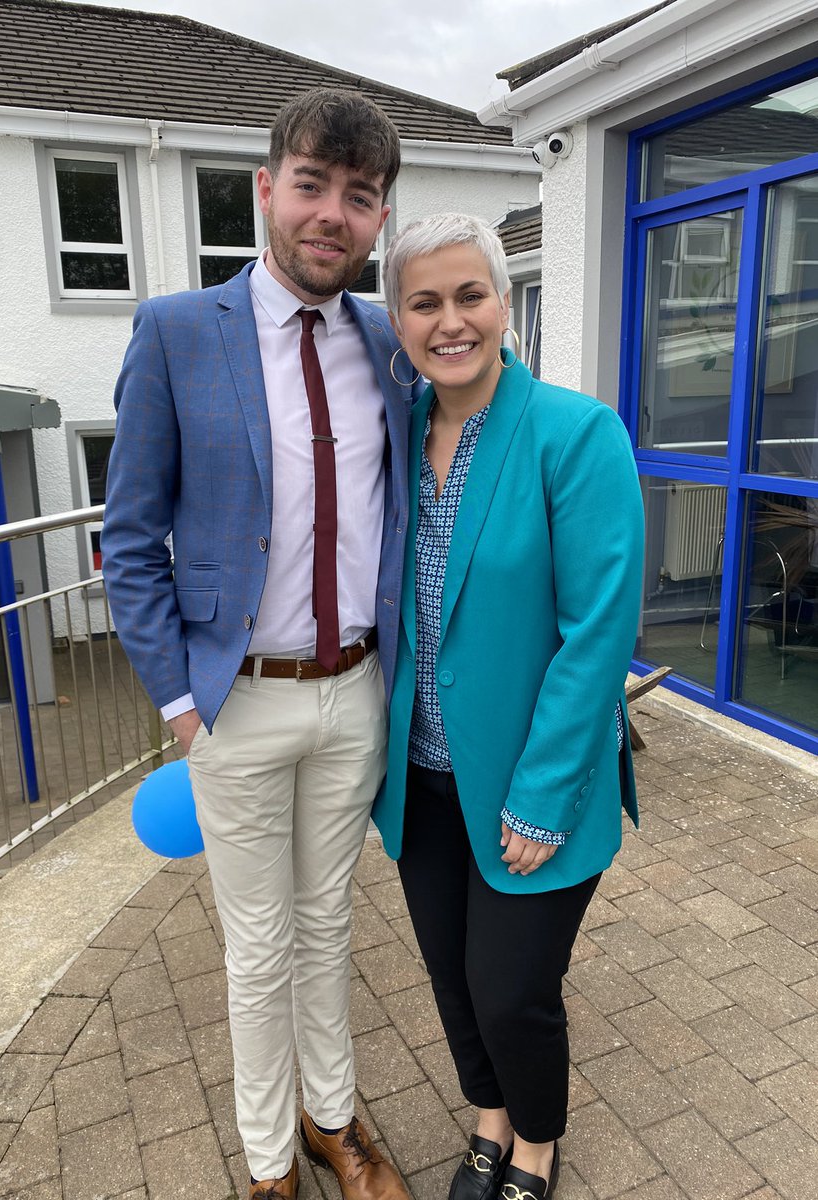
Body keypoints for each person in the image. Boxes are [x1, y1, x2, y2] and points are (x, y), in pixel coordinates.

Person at [101, 89, 416, 1200]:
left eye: (362, 197)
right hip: (234, 700)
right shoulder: (180, 331)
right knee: (258, 947)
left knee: (330, 926)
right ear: (267, 189)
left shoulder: (388, 340)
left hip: (354, 695)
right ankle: (268, 1164)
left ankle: (336, 1122)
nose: (334, 214)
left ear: (380, 217)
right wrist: (180, 706)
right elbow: (129, 540)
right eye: (316, 186)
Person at [371, 213, 645, 1200]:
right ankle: (488, 1115)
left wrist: (542, 792)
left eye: (469, 295)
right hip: (422, 778)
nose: (451, 321)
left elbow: (599, 630)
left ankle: (535, 1143)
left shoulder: (575, 435)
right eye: (424, 302)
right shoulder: (395, 437)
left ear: (504, 304)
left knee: (513, 989)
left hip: (532, 783)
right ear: (398, 320)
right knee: (450, 974)